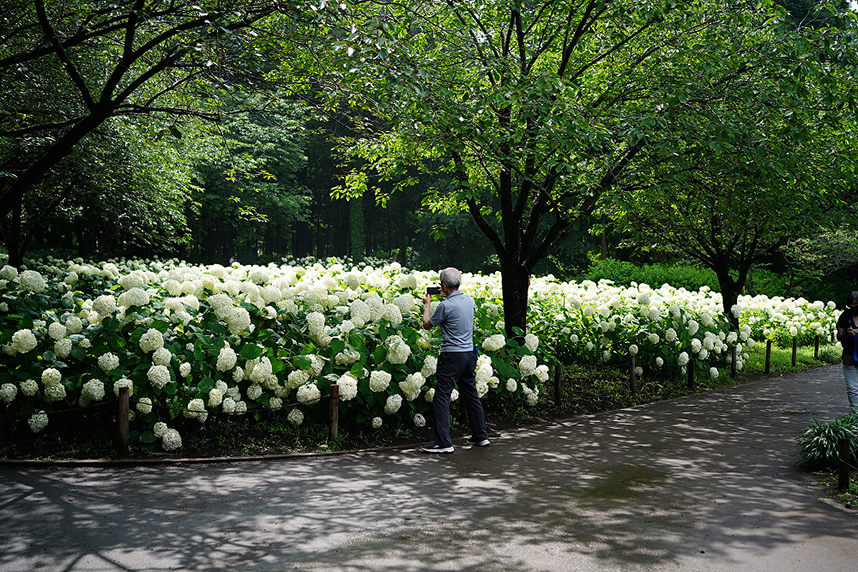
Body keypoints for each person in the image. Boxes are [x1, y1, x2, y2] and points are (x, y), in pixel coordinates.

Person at [420, 267, 490, 453]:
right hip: (469, 354)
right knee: (471, 395)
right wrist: (447, 294)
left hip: (451, 356)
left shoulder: (444, 306)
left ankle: (443, 443)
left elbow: (427, 324)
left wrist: (427, 304)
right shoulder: (469, 300)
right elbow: (457, 309)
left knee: (441, 397)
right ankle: (480, 436)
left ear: (443, 286)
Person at [836, 291, 858, 409]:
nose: (856, 306)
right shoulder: (845, 316)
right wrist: (846, 334)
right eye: (853, 304)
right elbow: (839, 336)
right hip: (849, 355)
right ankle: (855, 413)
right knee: (852, 387)